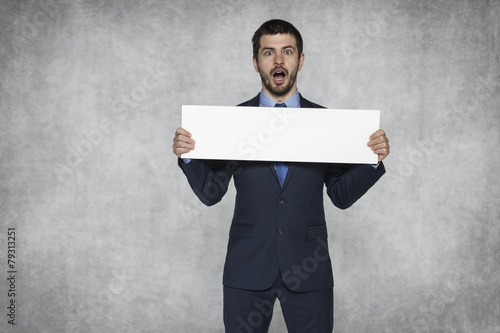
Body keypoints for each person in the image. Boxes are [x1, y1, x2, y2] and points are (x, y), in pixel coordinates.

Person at [172, 19, 390, 333]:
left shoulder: (327, 124)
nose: (278, 60)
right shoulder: (231, 124)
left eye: (287, 52)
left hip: (309, 267)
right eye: (268, 53)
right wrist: (189, 155)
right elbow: (210, 192)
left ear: (300, 60)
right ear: (255, 62)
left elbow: (341, 196)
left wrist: (372, 160)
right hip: (247, 268)